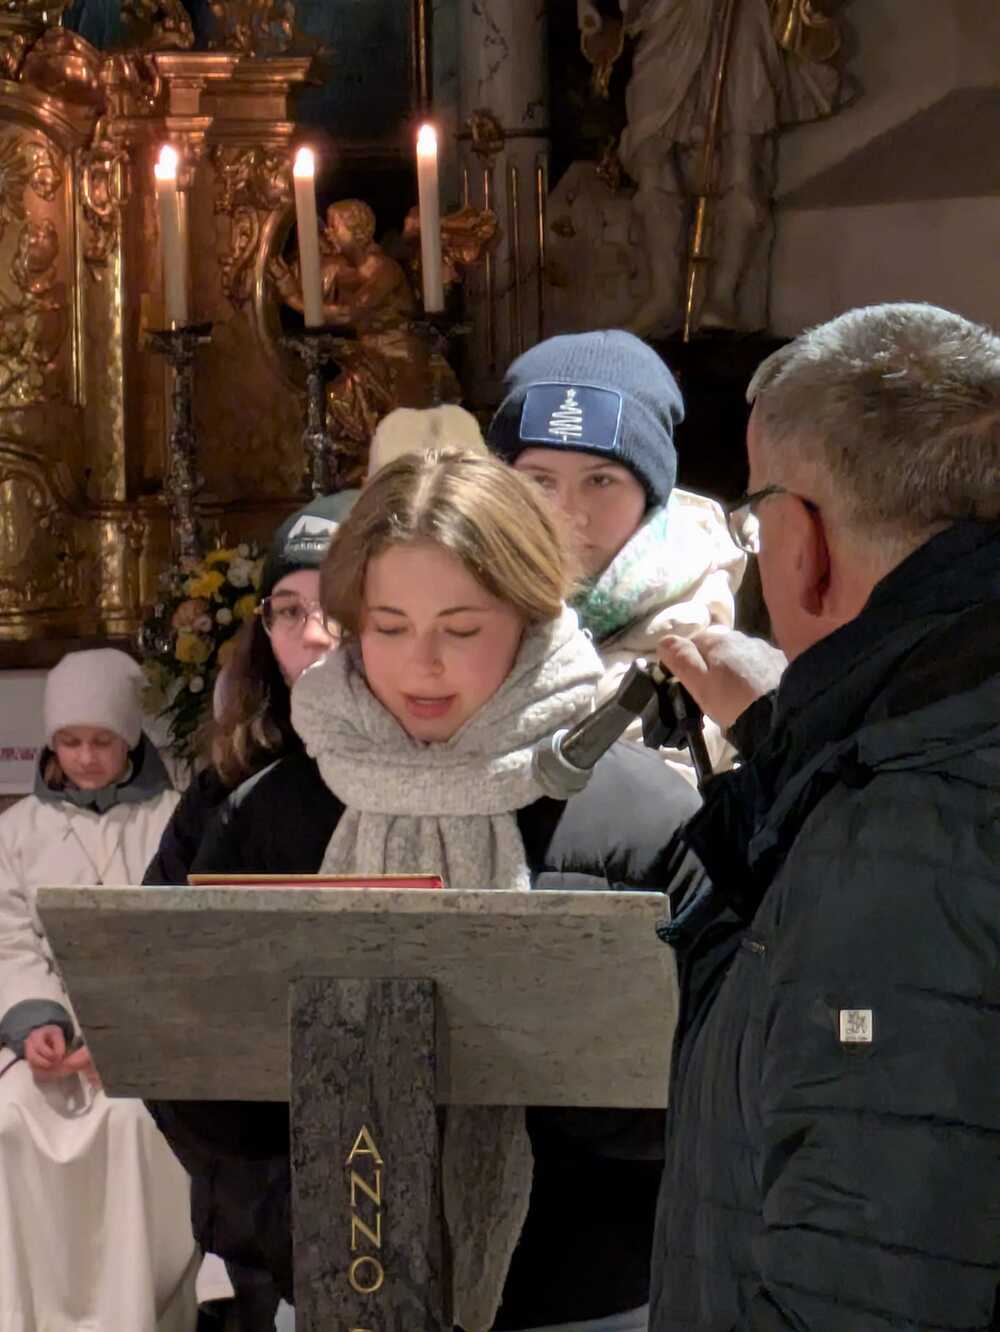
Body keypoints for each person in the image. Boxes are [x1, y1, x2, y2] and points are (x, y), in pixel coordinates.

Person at [173, 450, 706, 1332]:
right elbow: (194, 1064)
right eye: (388, 627)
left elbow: (717, 1085)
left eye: (460, 630)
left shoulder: (643, 818)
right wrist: (288, 1226)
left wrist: (535, 1072)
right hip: (334, 1284)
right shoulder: (274, 813)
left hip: (589, 1293)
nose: (422, 665)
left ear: (531, 614)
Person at [649, 302, 1000, 1330]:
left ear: (802, 543)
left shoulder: (905, 834)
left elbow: (871, 1271)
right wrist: (786, 727)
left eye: (756, 519)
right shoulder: (926, 741)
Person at [0, 648, 200, 1332]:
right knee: (10, 1118)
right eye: (69, 741)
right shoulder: (15, 831)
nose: (84, 757)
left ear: (131, 739)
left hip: (145, 1038)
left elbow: (182, 945)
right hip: (48, 1041)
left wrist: (122, 1036)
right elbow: (9, 941)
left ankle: (130, 1312)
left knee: (133, 1124)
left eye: (101, 741)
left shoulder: (175, 820)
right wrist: (36, 1023)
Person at [488, 329, 746, 784]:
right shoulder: (455, 599)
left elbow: (659, 799)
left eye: (600, 481)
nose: (569, 514)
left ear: (650, 496)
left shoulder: (689, 642)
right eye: (540, 481)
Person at [577, 0, 842, 335]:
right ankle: (663, 294)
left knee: (741, 152)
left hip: (743, 12)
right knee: (649, 146)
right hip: (667, 13)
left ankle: (723, 296)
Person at [144, 492, 357, 889]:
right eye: (290, 611)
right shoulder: (222, 789)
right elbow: (152, 921)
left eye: (337, 609)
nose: (313, 635)